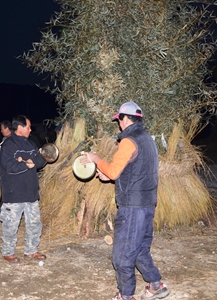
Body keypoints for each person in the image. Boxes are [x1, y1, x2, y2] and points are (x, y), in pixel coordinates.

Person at [81, 102, 170, 300]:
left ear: (126, 118)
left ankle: (125, 295)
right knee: (139, 249)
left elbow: (113, 170)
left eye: (119, 120)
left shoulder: (129, 141)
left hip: (132, 206)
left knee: (122, 255)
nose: (118, 124)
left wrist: (96, 159)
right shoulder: (147, 139)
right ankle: (155, 285)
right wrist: (112, 175)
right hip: (147, 203)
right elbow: (135, 170)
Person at [0, 115, 47, 264]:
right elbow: (9, 167)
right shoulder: (8, 146)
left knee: (34, 224)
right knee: (10, 225)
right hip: (14, 193)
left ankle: (31, 250)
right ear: (20, 127)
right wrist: (26, 164)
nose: (30, 129)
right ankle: (8, 252)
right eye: (28, 126)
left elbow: (39, 161)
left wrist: (44, 155)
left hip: (31, 192)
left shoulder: (30, 144)